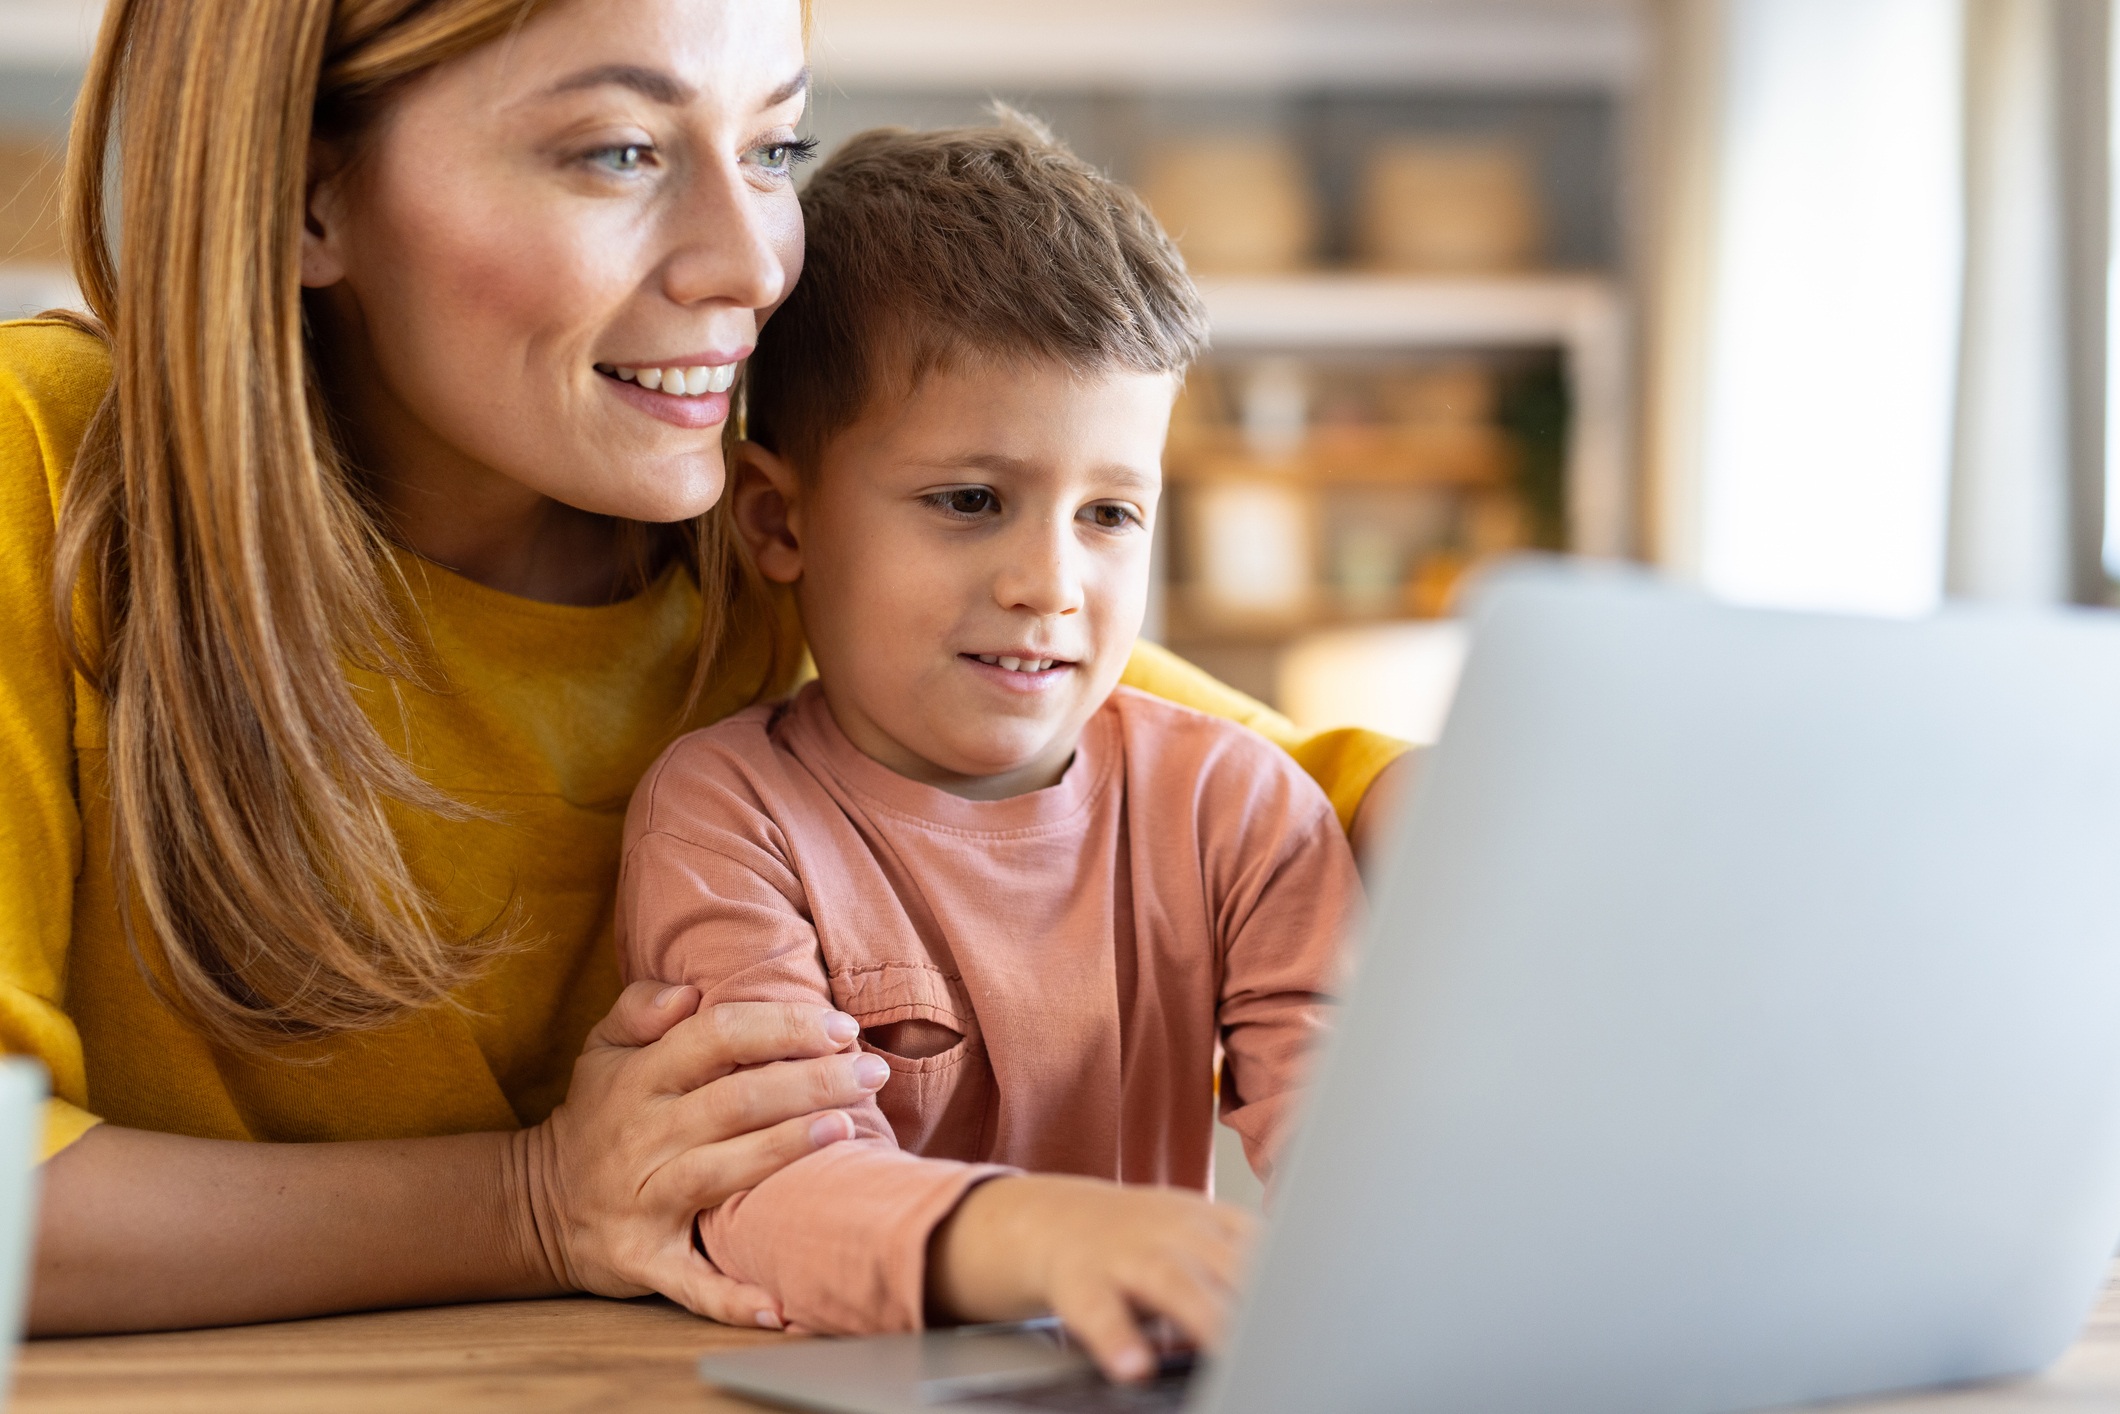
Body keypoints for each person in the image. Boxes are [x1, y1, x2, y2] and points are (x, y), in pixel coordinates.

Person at [0, 0, 1408, 1337]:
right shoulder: (39, 470)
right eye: (621, 152)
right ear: (310, 196)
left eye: (774, 149)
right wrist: (531, 1201)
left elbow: (1301, 784)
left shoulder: (787, 553)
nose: (751, 267)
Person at [618, 117, 1363, 1383]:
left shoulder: (1240, 808)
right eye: (970, 501)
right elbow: (761, 1186)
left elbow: (1357, 1153)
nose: (1049, 582)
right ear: (777, 520)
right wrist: (1047, 1237)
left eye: (1109, 513)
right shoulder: (726, 813)